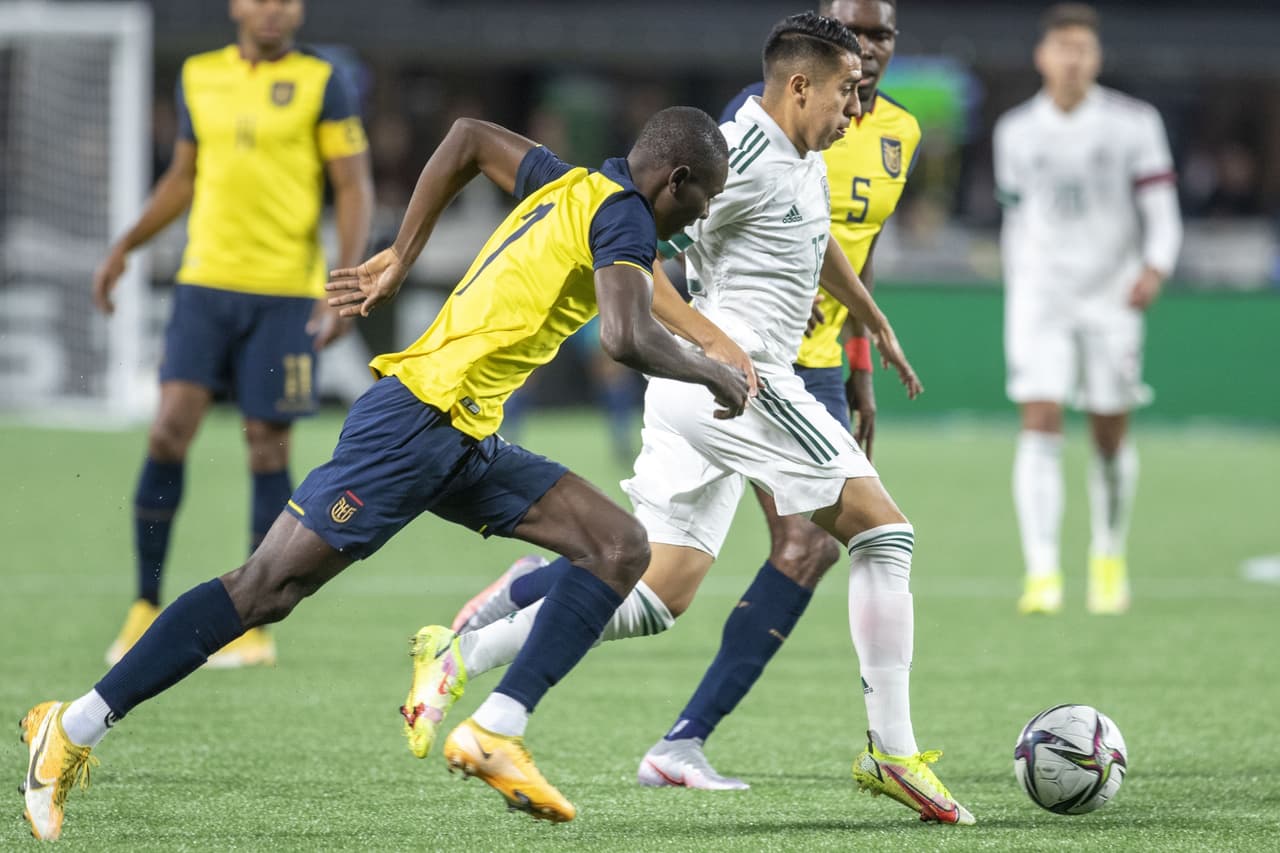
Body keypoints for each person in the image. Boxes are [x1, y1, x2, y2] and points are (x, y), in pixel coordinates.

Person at [20, 107, 753, 839]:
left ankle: (498, 728)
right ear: (676, 179)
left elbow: (467, 138)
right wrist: (712, 370)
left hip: (465, 435)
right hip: (414, 424)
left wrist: (403, 253)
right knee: (266, 589)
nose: (703, 215)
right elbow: (624, 335)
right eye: (706, 198)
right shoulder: (624, 216)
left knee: (618, 545)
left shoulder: (574, 186)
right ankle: (74, 724)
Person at [404, 12, 974, 826]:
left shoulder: (803, 151)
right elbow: (634, 246)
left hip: (697, 392)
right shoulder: (737, 154)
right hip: (738, 380)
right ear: (800, 85)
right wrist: (712, 342)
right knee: (885, 533)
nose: (857, 106)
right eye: (847, 91)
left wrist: (869, 315)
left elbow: (815, 237)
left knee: (659, 589)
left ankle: (462, 657)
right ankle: (894, 750)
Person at [91, 0, 374, 668]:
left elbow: (352, 185)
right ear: (235, 6)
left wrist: (347, 280)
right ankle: (144, 604)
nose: (271, 10)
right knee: (168, 430)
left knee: (267, 446)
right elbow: (183, 176)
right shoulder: (199, 75)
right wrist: (127, 244)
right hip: (205, 286)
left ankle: (253, 623)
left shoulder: (321, 81)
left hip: (285, 295)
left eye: (285, 0)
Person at [993, 3, 1182, 615]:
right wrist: (1019, 285)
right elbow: (1014, 219)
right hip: (1041, 297)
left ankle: (1107, 555)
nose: (1072, 59)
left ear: (1096, 58)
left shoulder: (1134, 124)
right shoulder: (1015, 131)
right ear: (1042, 56)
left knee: (1108, 430)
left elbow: (1162, 213)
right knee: (1040, 417)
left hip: (1111, 295)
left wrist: (1156, 266)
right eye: (1063, 48)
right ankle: (1042, 572)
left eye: (1083, 49)